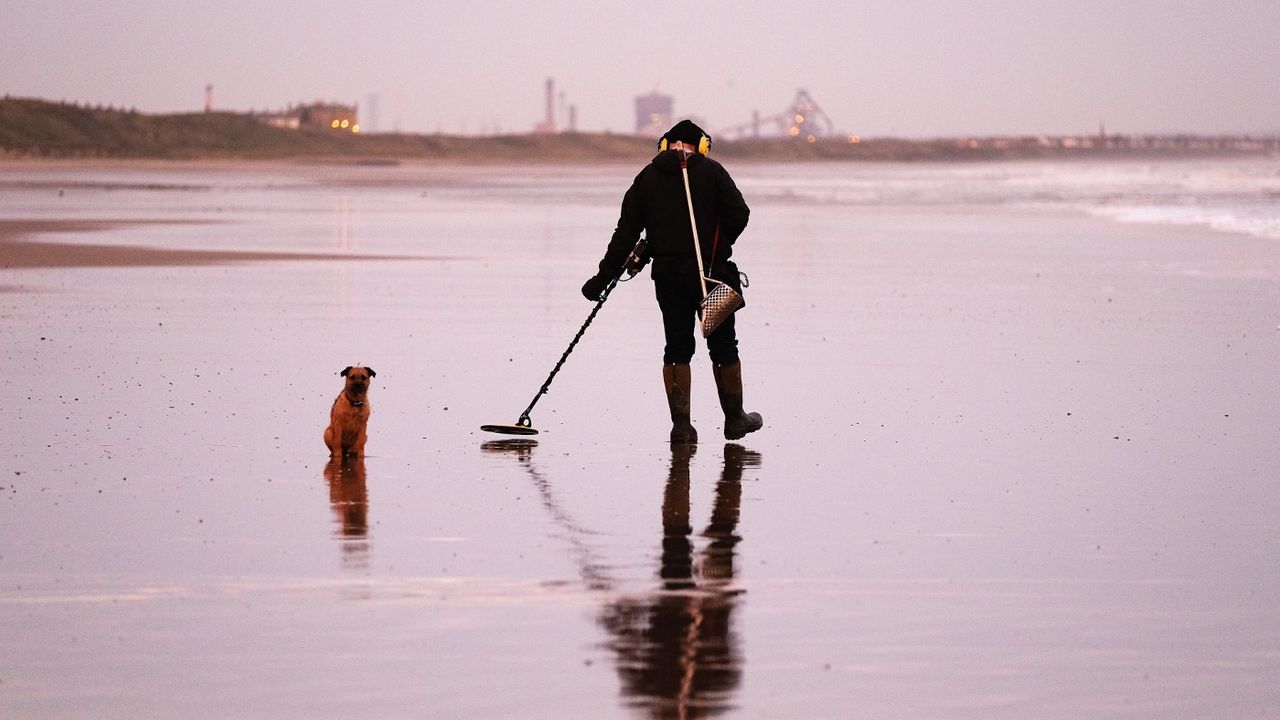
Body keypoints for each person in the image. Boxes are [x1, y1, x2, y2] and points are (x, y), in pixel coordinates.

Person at [581, 119, 763, 443]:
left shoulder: (646, 178)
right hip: (713, 276)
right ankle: (735, 418)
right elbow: (740, 214)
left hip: (668, 277)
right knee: (723, 347)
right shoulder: (713, 172)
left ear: (665, 144)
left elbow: (625, 234)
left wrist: (602, 278)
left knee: (677, 349)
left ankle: (681, 426)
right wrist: (719, 245)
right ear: (702, 146)